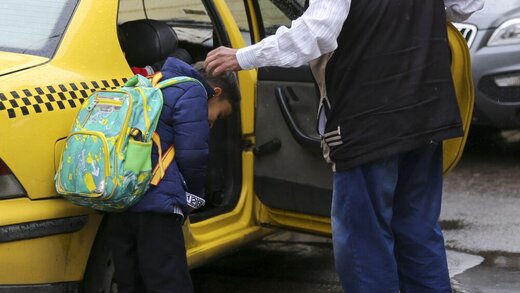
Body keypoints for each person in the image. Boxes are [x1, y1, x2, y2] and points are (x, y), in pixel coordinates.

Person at [204, 1, 484, 292]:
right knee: (417, 232)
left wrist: (244, 55)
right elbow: (466, 6)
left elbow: (316, 33)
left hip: (369, 125)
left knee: (364, 243)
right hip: (427, 115)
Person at [106, 56, 238, 293]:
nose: (212, 124)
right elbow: (193, 154)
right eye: (219, 115)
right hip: (158, 206)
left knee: (130, 282)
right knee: (168, 282)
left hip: (121, 200)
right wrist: (194, 197)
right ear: (215, 93)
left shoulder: (152, 82)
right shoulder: (194, 91)